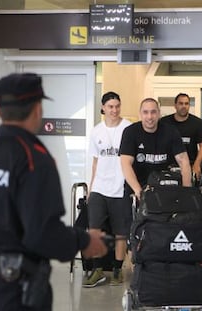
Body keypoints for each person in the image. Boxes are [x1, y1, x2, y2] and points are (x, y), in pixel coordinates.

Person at [0, 73, 107, 311]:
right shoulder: (33, 158)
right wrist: (84, 240)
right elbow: (42, 235)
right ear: (38, 109)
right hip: (19, 290)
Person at [82, 91, 131, 287]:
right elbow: (95, 162)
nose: (114, 110)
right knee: (94, 231)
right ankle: (97, 270)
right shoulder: (96, 131)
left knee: (120, 233)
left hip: (120, 188)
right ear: (103, 108)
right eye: (110, 106)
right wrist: (91, 187)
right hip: (99, 188)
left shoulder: (128, 128)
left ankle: (118, 270)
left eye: (117, 106)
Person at [120, 97, 192, 199]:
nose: (150, 117)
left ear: (158, 113)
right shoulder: (130, 132)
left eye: (153, 112)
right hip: (136, 189)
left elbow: (183, 161)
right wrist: (138, 191)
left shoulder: (171, 132)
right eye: (145, 112)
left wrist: (186, 191)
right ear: (140, 114)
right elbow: (125, 164)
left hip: (164, 189)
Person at [160, 93, 202, 184]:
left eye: (186, 104)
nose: (184, 106)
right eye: (181, 103)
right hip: (168, 167)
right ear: (175, 105)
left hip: (190, 165)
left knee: (188, 194)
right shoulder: (164, 122)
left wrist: (197, 164)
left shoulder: (197, 123)